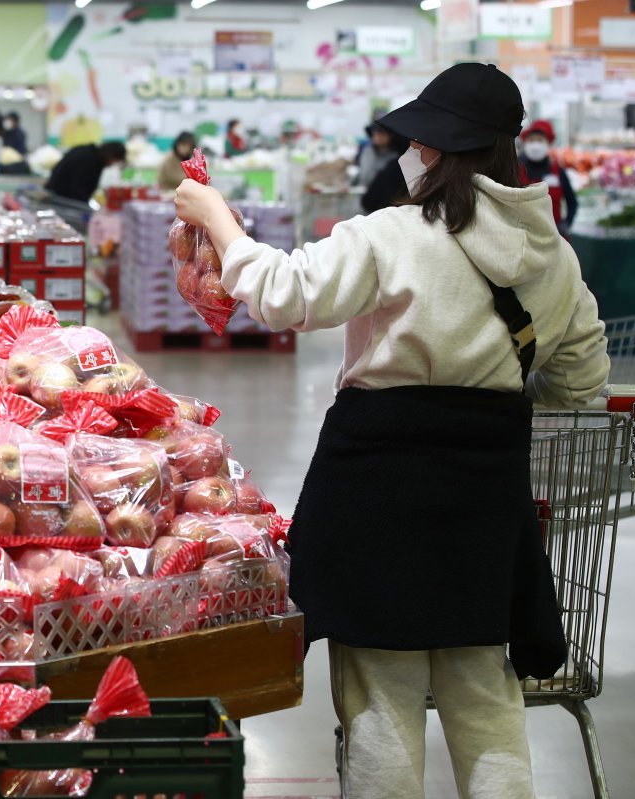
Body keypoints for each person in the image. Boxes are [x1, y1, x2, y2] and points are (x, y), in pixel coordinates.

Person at [174, 62, 607, 799]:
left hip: (378, 488)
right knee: (484, 691)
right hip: (484, 499)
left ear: (434, 150)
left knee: (380, 695)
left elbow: (284, 295)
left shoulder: (391, 234)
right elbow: (581, 380)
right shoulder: (555, 258)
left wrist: (219, 219)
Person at [519, 120, 577, 235]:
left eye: (540, 140)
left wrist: (567, 223)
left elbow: (572, 202)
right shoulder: (514, 170)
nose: (535, 145)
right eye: (531, 140)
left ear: (548, 143)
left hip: (554, 236)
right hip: (522, 237)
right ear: (525, 143)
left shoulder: (558, 171)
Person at [45, 141, 127, 204]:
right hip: (61, 198)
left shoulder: (89, 152)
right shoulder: (89, 161)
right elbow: (78, 188)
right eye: (115, 161)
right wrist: (85, 207)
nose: (112, 164)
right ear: (111, 155)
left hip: (57, 194)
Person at [359, 132, 410, 214]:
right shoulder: (369, 151)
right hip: (386, 210)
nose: (378, 135)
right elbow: (365, 177)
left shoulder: (395, 163)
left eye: (382, 133)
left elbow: (368, 201)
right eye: (376, 132)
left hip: (386, 212)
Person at [354, 122, 401, 188]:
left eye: (383, 133)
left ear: (390, 136)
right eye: (376, 133)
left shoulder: (395, 156)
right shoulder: (367, 151)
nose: (379, 136)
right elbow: (360, 173)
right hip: (362, 191)